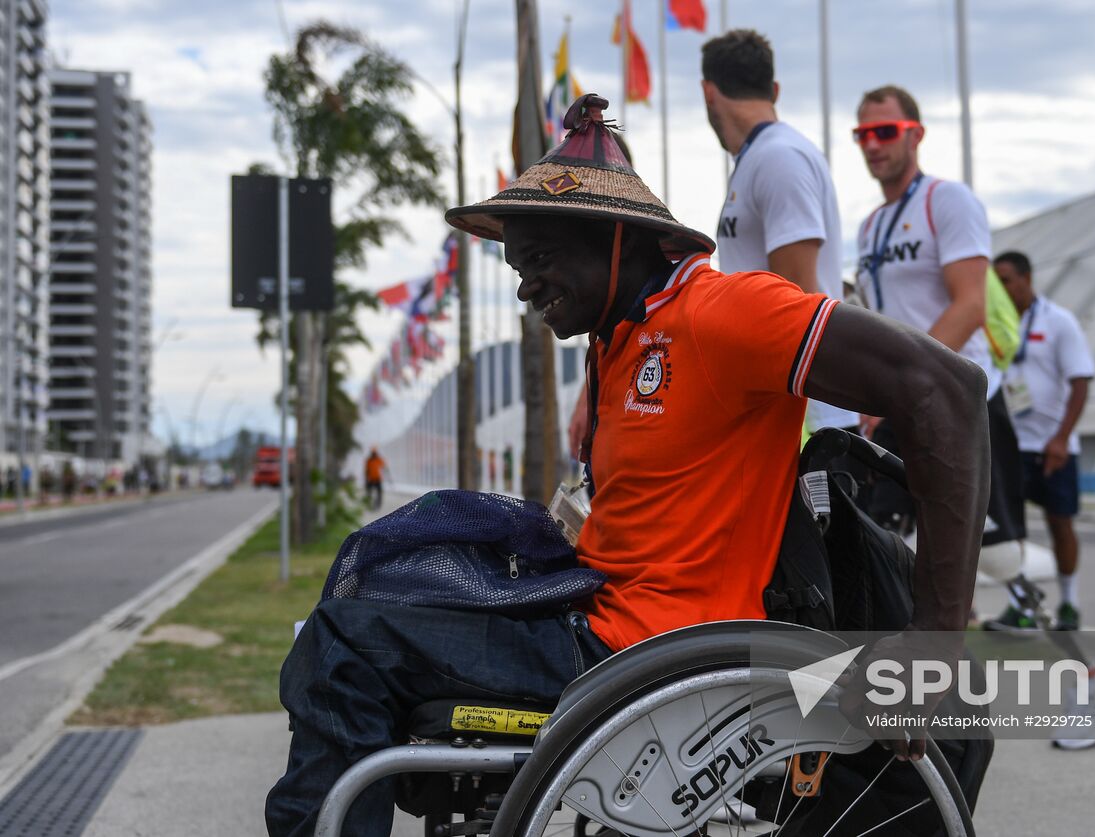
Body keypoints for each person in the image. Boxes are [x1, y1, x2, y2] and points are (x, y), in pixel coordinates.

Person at [266, 94, 990, 837]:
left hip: (648, 659)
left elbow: (949, 389)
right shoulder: (618, 342)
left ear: (616, 241)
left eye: (539, 260)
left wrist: (933, 644)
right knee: (384, 595)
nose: (525, 287)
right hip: (604, 631)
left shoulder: (723, 314)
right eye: (517, 268)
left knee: (343, 645)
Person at [850, 84, 1027, 616]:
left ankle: (1077, 669)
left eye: (886, 132)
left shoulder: (946, 200)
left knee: (990, 564)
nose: (873, 145)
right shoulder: (870, 226)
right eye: (863, 134)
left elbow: (971, 303)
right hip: (901, 408)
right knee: (891, 560)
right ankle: (939, 688)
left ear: (916, 134)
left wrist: (897, 386)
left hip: (960, 401)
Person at [699, 29, 859, 438]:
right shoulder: (760, 158)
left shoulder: (778, 157)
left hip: (805, 417)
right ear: (774, 89)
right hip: (785, 404)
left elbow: (795, 304)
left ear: (708, 92)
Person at [993, 251, 1095, 631]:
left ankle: (1069, 603)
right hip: (1009, 445)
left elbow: (1080, 381)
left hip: (1052, 447)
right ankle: (1021, 607)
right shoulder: (992, 324)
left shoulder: (1059, 321)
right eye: (996, 282)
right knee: (1011, 531)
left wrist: (1061, 438)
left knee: (1060, 524)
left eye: (1006, 280)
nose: (1000, 289)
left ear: (1026, 278)